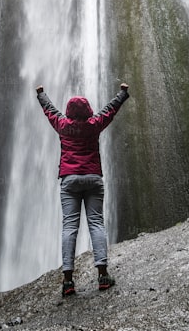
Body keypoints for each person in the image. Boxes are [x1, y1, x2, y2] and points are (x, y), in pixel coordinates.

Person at [36, 83, 130, 297]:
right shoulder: (94, 124)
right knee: (96, 223)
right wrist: (122, 93)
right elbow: (110, 109)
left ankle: (68, 281)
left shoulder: (62, 125)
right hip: (93, 178)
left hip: (69, 180)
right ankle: (103, 276)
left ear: (68, 111)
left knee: (69, 227)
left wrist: (41, 94)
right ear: (88, 110)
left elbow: (50, 110)